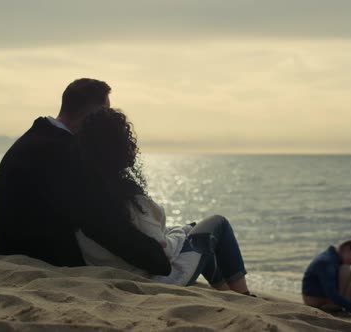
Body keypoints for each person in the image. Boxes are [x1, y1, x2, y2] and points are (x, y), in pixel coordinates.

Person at [0, 78, 171, 276]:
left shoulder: (37, 138)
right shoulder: (61, 152)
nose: (106, 118)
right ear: (93, 114)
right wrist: (156, 259)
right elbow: (102, 224)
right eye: (105, 111)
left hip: (10, 251)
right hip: (37, 259)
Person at [74, 107, 252, 295]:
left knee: (191, 232)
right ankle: (245, 295)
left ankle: (225, 291)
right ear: (119, 148)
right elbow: (162, 254)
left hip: (112, 273)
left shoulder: (84, 192)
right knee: (218, 224)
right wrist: (180, 237)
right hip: (152, 280)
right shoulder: (127, 197)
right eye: (127, 140)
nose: (133, 146)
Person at [302, 234, 351, 317]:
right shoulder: (327, 262)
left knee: (345, 270)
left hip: (320, 295)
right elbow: (332, 294)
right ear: (347, 248)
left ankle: (345, 304)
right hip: (313, 299)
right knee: (346, 270)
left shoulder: (334, 259)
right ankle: (334, 308)